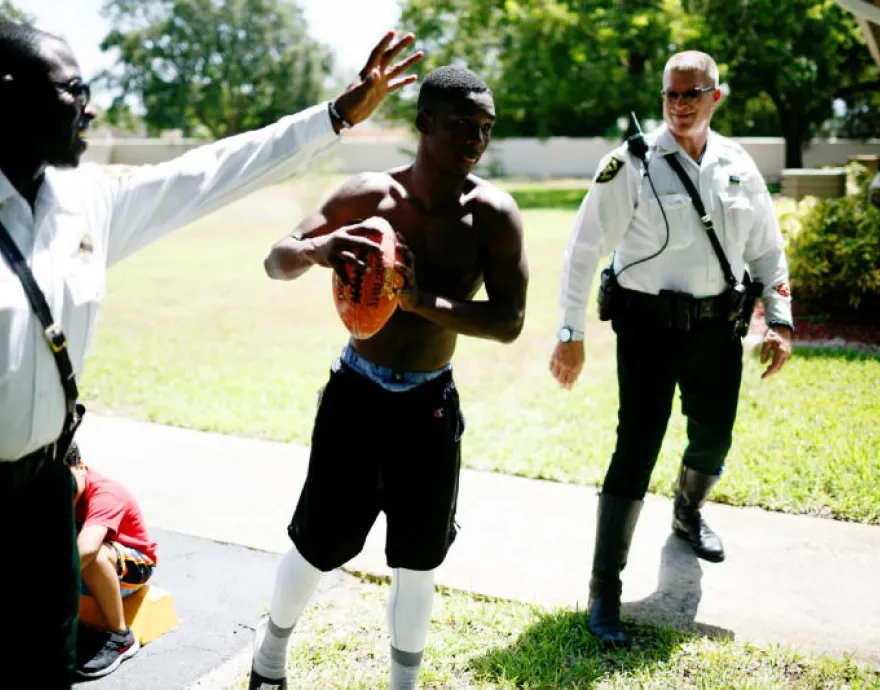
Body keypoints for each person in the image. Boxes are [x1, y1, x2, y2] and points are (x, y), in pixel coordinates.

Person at [0, 19, 422, 686]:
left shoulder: (88, 202)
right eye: (71, 88)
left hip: (47, 498)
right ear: (8, 96)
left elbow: (212, 171)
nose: (91, 105)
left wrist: (335, 115)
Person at [248, 65, 528, 690]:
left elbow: (509, 321)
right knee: (318, 541)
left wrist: (417, 299)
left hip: (429, 401)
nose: (475, 141)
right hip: (356, 391)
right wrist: (321, 249)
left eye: (485, 129)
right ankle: (268, 662)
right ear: (424, 123)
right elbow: (277, 259)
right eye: (461, 126)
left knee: (418, 558)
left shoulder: (493, 214)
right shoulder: (370, 194)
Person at [549, 51, 794, 646]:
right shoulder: (629, 164)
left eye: (693, 93)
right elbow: (583, 249)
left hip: (717, 330)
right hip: (647, 329)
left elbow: (766, 248)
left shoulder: (738, 164)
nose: (680, 105)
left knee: (714, 436)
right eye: (671, 95)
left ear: (717, 96)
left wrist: (780, 318)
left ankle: (687, 513)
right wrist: (569, 334)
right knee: (635, 450)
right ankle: (604, 590)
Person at [64, 442, 158, 678]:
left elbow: (86, 550)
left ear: (81, 468)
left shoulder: (106, 493)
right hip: (84, 571)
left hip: (133, 566)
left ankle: (120, 637)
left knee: (94, 553)